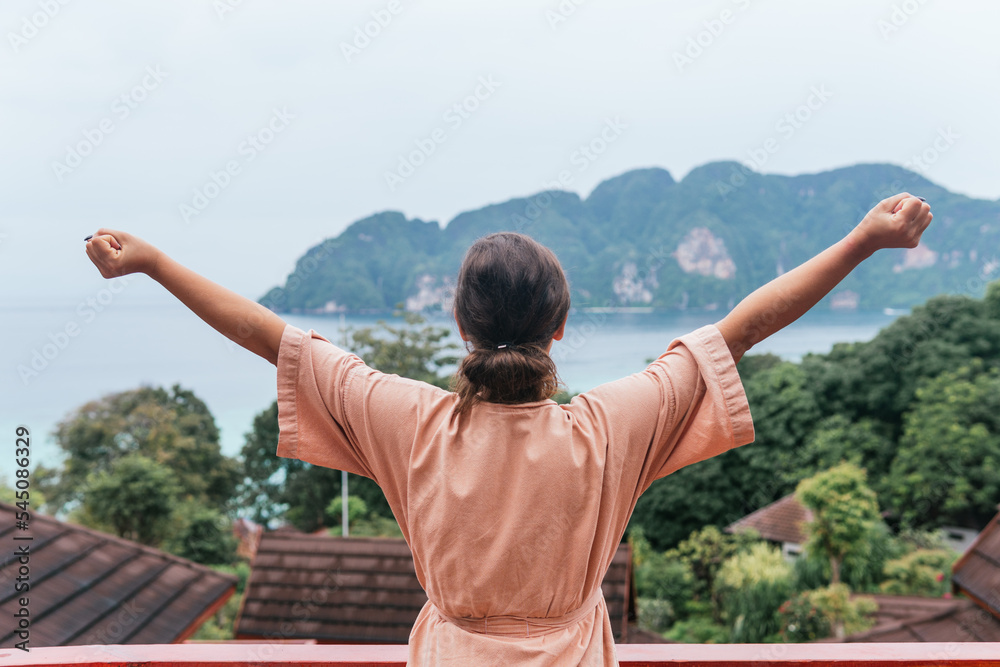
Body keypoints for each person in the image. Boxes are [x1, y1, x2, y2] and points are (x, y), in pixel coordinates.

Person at [84, 192, 931, 665]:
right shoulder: (605, 429)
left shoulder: (411, 422)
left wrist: (154, 261)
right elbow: (739, 330)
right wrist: (862, 239)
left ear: (460, 325)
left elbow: (268, 333)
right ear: (560, 330)